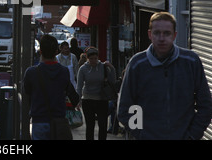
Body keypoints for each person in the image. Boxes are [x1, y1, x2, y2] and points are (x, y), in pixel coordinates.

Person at [117, 12, 212, 140]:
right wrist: (142, 134)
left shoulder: (191, 61)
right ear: (150, 34)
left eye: (167, 33)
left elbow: (206, 105)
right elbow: (125, 108)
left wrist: (192, 136)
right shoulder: (137, 64)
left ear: (174, 35)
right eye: (157, 33)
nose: (161, 38)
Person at [23, 34, 80, 140]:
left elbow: (27, 92)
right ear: (56, 52)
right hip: (59, 121)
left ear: (40, 52)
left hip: (39, 121)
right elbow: (74, 98)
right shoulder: (64, 72)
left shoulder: (31, 73)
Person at [76, 46, 116, 140]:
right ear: (87, 58)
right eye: (91, 59)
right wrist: (78, 100)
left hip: (101, 99)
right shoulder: (83, 69)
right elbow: (79, 86)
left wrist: (112, 68)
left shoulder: (103, 67)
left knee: (102, 124)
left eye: (95, 58)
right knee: (90, 125)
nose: (93, 61)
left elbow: (112, 81)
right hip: (87, 99)